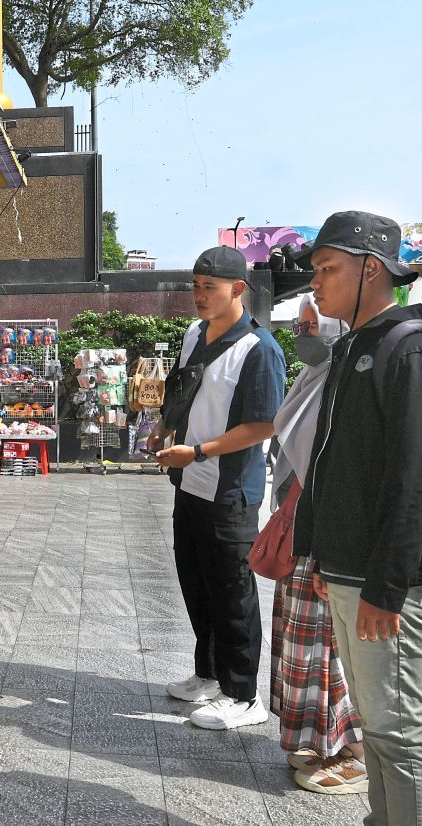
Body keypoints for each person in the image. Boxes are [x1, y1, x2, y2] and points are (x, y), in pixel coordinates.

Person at [293, 211, 422, 826]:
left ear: (372, 268)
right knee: (377, 722)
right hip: (348, 569)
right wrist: (314, 554)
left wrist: (386, 589)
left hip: (396, 579)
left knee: (397, 731)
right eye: (314, 269)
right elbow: (329, 457)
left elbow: (419, 480)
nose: (316, 281)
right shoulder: (353, 347)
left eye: (328, 268)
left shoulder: (414, 348)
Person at [149, 245, 285, 730]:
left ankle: (244, 695)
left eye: (210, 287)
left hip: (230, 493)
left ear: (238, 290)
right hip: (190, 483)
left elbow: (264, 425)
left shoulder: (260, 349)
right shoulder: (194, 334)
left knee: (233, 594)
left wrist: (201, 451)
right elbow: (182, 388)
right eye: (195, 286)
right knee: (197, 584)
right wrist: (164, 427)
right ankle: (208, 675)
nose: (200, 296)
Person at [268, 293, 365, 794]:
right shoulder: (311, 380)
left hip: (324, 533)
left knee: (327, 646)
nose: (304, 333)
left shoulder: (345, 381)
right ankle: (321, 741)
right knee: (304, 639)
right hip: (299, 531)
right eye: (301, 324)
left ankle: (357, 753)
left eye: (313, 324)